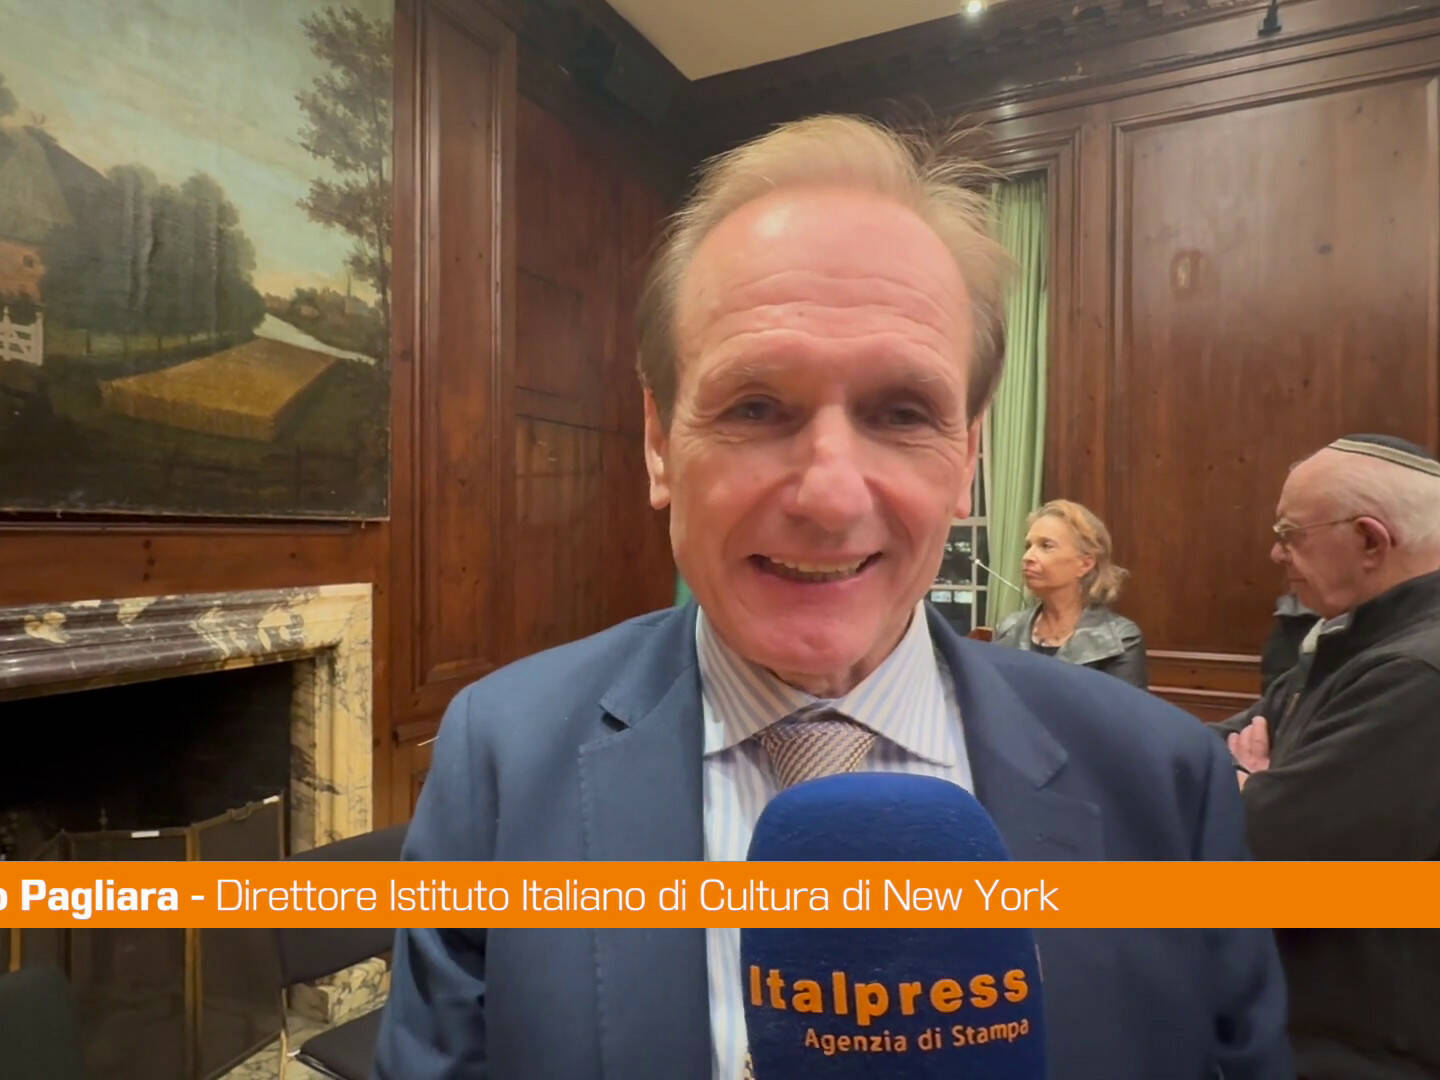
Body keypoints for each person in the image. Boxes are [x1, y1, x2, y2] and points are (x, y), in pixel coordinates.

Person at [372, 114, 1290, 1080]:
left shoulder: (1164, 781)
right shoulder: (502, 757)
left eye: (902, 412)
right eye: (755, 406)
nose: (831, 497)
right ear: (658, 441)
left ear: (968, 456)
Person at [1214, 433, 1440, 1080]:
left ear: (1371, 541)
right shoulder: (1357, 642)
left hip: (1365, 1049)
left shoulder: (1415, 672)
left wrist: (1255, 790)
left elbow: (1265, 852)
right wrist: (1254, 781)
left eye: (1290, 533)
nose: (1275, 553)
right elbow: (1211, 747)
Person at [991, 499, 1148, 687]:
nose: (1027, 557)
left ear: (1085, 564)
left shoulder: (1120, 639)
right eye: (1028, 546)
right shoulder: (1008, 629)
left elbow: (1122, 706)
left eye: (1046, 546)